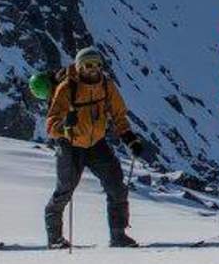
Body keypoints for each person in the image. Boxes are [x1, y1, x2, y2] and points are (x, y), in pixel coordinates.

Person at [44, 47, 146, 248]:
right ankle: (55, 238)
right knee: (64, 190)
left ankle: (118, 235)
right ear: (80, 67)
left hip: (97, 143)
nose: (93, 69)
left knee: (117, 186)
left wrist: (130, 138)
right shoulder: (67, 88)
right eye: (88, 65)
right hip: (71, 144)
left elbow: (118, 115)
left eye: (97, 65)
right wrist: (65, 128)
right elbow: (51, 123)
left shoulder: (107, 86)